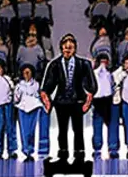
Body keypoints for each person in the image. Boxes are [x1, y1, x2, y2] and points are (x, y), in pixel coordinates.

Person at [40, 33, 97, 161]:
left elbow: (92, 85)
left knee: (78, 129)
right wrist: (46, 98)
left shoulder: (84, 64)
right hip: (61, 102)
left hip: (78, 101)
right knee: (62, 129)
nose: (67, 50)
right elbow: (48, 84)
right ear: (61, 48)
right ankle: (63, 153)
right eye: (65, 48)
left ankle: (79, 153)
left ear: (74, 48)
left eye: (70, 48)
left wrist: (88, 99)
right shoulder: (54, 64)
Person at [15, 65, 45, 160]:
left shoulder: (36, 84)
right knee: (24, 131)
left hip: (33, 108)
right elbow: (16, 98)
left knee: (31, 131)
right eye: (25, 72)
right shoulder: (19, 85)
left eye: (29, 72)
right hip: (23, 109)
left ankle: (30, 151)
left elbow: (38, 95)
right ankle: (25, 150)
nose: (27, 74)